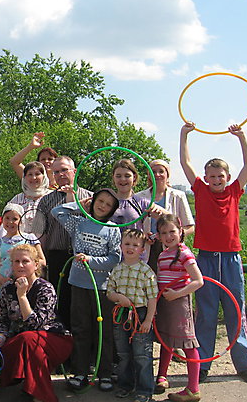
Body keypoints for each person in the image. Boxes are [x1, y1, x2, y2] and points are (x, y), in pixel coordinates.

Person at [180, 122, 247, 384]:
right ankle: (202, 364)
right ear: (206, 178)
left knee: (237, 312)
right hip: (206, 258)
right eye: (211, 176)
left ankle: (245, 364)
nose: (216, 180)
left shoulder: (234, 191)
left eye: (220, 176)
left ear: (227, 176)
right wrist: (184, 135)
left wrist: (241, 137)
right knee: (206, 312)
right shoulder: (200, 190)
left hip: (231, 258)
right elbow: (185, 163)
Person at [52, 187, 121, 392]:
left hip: (102, 287)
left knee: (104, 331)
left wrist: (91, 260)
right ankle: (80, 372)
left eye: (108, 204)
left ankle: (105, 373)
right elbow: (57, 212)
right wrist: (79, 205)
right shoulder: (80, 222)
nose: (103, 206)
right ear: (93, 201)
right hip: (78, 284)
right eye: (100, 201)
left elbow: (114, 259)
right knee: (80, 328)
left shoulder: (113, 229)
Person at [0, 244, 72, 402]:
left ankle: (41, 395)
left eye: (25, 261)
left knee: (29, 339)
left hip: (54, 340)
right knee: (18, 344)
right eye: (16, 261)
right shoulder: (7, 288)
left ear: (36, 264)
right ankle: (31, 388)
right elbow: (2, 320)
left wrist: (22, 297)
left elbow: (36, 325)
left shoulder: (45, 288)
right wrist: (0, 338)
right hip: (25, 342)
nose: (20, 265)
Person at [33, 156, 91, 330]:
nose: (60, 174)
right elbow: (39, 234)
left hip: (83, 258)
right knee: (60, 302)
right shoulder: (46, 201)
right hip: (56, 258)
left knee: (82, 304)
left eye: (64, 170)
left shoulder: (90, 197)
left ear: (74, 171)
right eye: (56, 172)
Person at [153, 214, 204, 402]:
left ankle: (193, 388)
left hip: (179, 303)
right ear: (158, 236)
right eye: (163, 233)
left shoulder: (184, 253)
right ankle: (162, 376)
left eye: (172, 231)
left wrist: (177, 294)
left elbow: (198, 281)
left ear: (180, 232)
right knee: (166, 340)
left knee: (187, 343)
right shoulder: (163, 254)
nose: (168, 236)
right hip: (164, 302)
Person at [106, 229, 158, 402]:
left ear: (142, 249)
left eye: (135, 245)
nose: (130, 248)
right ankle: (125, 385)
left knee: (142, 353)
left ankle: (145, 389)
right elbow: (109, 291)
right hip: (121, 313)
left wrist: (148, 319)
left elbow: (152, 297)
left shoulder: (146, 271)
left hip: (140, 313)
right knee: (123, 353)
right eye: (127, 244)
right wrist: (117, 297)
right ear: (121, 246)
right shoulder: (117, 269)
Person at [136, 159, 195, 271]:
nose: (157, 175)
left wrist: (173, 237)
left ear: (167, 174)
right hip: (148, 249)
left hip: (171, 248)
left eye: (161, 171)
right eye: (153, 172)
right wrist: (143, 236)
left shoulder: (178, 196)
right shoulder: (139, 197)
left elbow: (190, 227)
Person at [0, 203, 45, 313]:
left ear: (21, 221)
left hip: (26, 284)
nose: (10, 222)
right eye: (7, 218)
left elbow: (42, 261)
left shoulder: (30, 238)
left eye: (14, 219)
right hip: (4, 285)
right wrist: (1, 279)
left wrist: (27, 271)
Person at [7, 161, 51, 236]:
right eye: (30, 174)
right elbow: (7, 221)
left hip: (48, 243)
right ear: (24, 177)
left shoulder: (51, 196)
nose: (33, 178)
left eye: (37, 174)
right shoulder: (17, 199)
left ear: (43, 176)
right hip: (22, 244)